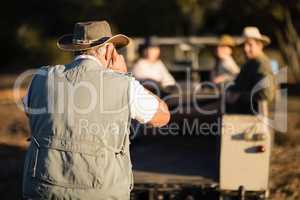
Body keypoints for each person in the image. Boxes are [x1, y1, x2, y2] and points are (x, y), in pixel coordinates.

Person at [22, 21, 170, 200]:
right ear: (109, 51)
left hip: (43, 190)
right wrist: (124, 77)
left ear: (74, 49)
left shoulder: (40, 78)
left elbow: (32, 113)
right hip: (101, 193)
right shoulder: (124, 85)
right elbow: (162, 116)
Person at [227, 26, 276, 114]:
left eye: (250, 44)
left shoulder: (261, 64)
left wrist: (240, 96)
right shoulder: (251, 63)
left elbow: (266, 94)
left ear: (259, 45)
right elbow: (240, 84)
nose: (245, 49)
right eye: (244, 45)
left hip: (252, 117)